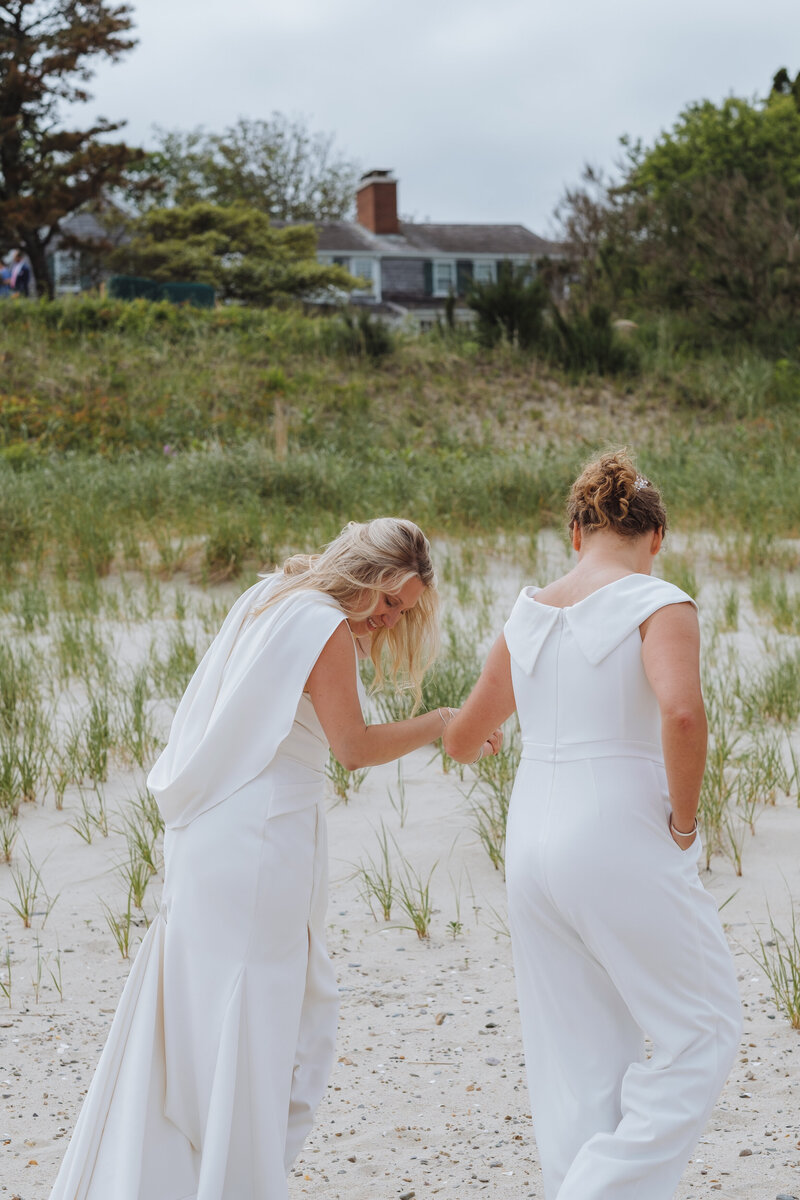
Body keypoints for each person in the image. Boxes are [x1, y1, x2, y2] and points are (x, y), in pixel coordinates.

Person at [49, 516, 501, 1200]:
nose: (388, 620)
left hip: (217, 833)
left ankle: (184, 1175)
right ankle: (230, 1180)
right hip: (262, 840)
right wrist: (442, 722)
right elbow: (351, 748)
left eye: (402, 611)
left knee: (208, 1012)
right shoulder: (319, 625)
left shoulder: (270, 596)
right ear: (364, 574)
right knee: (257, 1015)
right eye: (388, 601)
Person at [443, 451, 742, 1200]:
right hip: (615, 833)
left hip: (531, 842)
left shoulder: (528, 612)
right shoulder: (658, 601)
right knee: (702, 1028)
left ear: (575, 530)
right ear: (658, 534)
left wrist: (487, 738)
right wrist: (682, 823)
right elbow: (681, 713)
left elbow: (462, 739)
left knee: (576, 1052)